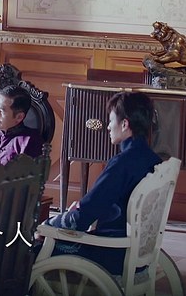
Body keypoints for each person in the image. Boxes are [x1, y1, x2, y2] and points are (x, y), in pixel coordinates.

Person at [42, 91, 162, 275]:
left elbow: (85, 215)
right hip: (137, 251)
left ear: (124, 124)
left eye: (111, 121)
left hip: (111, 252)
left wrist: (48, 225)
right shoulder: (154, 160)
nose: (108, 127)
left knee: (34, 249)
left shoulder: (122, 163)